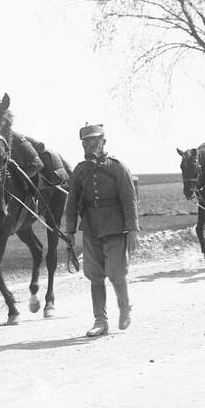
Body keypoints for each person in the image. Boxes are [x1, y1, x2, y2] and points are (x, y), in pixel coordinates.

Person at [64, 124, 139, 337]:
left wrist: (133, 229)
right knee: (95, 275)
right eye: (85, 142)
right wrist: (70, 231)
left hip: (115, 227)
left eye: (93, 141)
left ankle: (125, 309)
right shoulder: (80, 170)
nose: (89, 145)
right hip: (91, 228)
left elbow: (129, 199)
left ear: (103, 142)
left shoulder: (117, 167)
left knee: (116, 273)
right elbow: (71, 202)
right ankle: (100, 321)